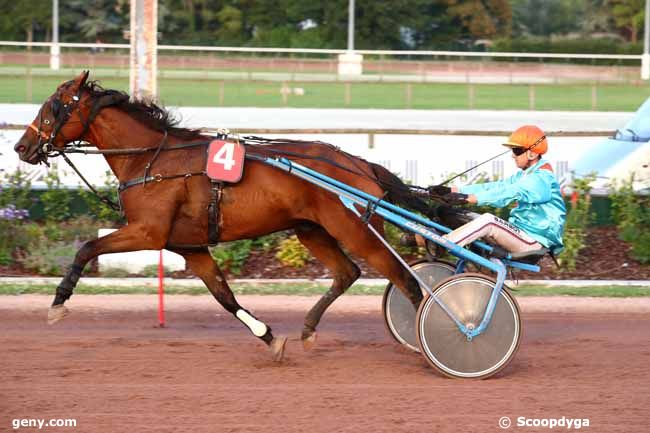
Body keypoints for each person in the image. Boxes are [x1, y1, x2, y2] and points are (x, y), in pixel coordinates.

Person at [430, 125, 567, 256]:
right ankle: (427, 240)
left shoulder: (541, 179)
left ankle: (443, 244)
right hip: (520, 234)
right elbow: (497, 187)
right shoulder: (525, 175)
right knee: (468, 217)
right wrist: (453, 190)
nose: (513, 155)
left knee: (488, 221)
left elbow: (507, 193)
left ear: (532, 154)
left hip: (534, 242)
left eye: (516, 150)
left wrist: (468, 198)